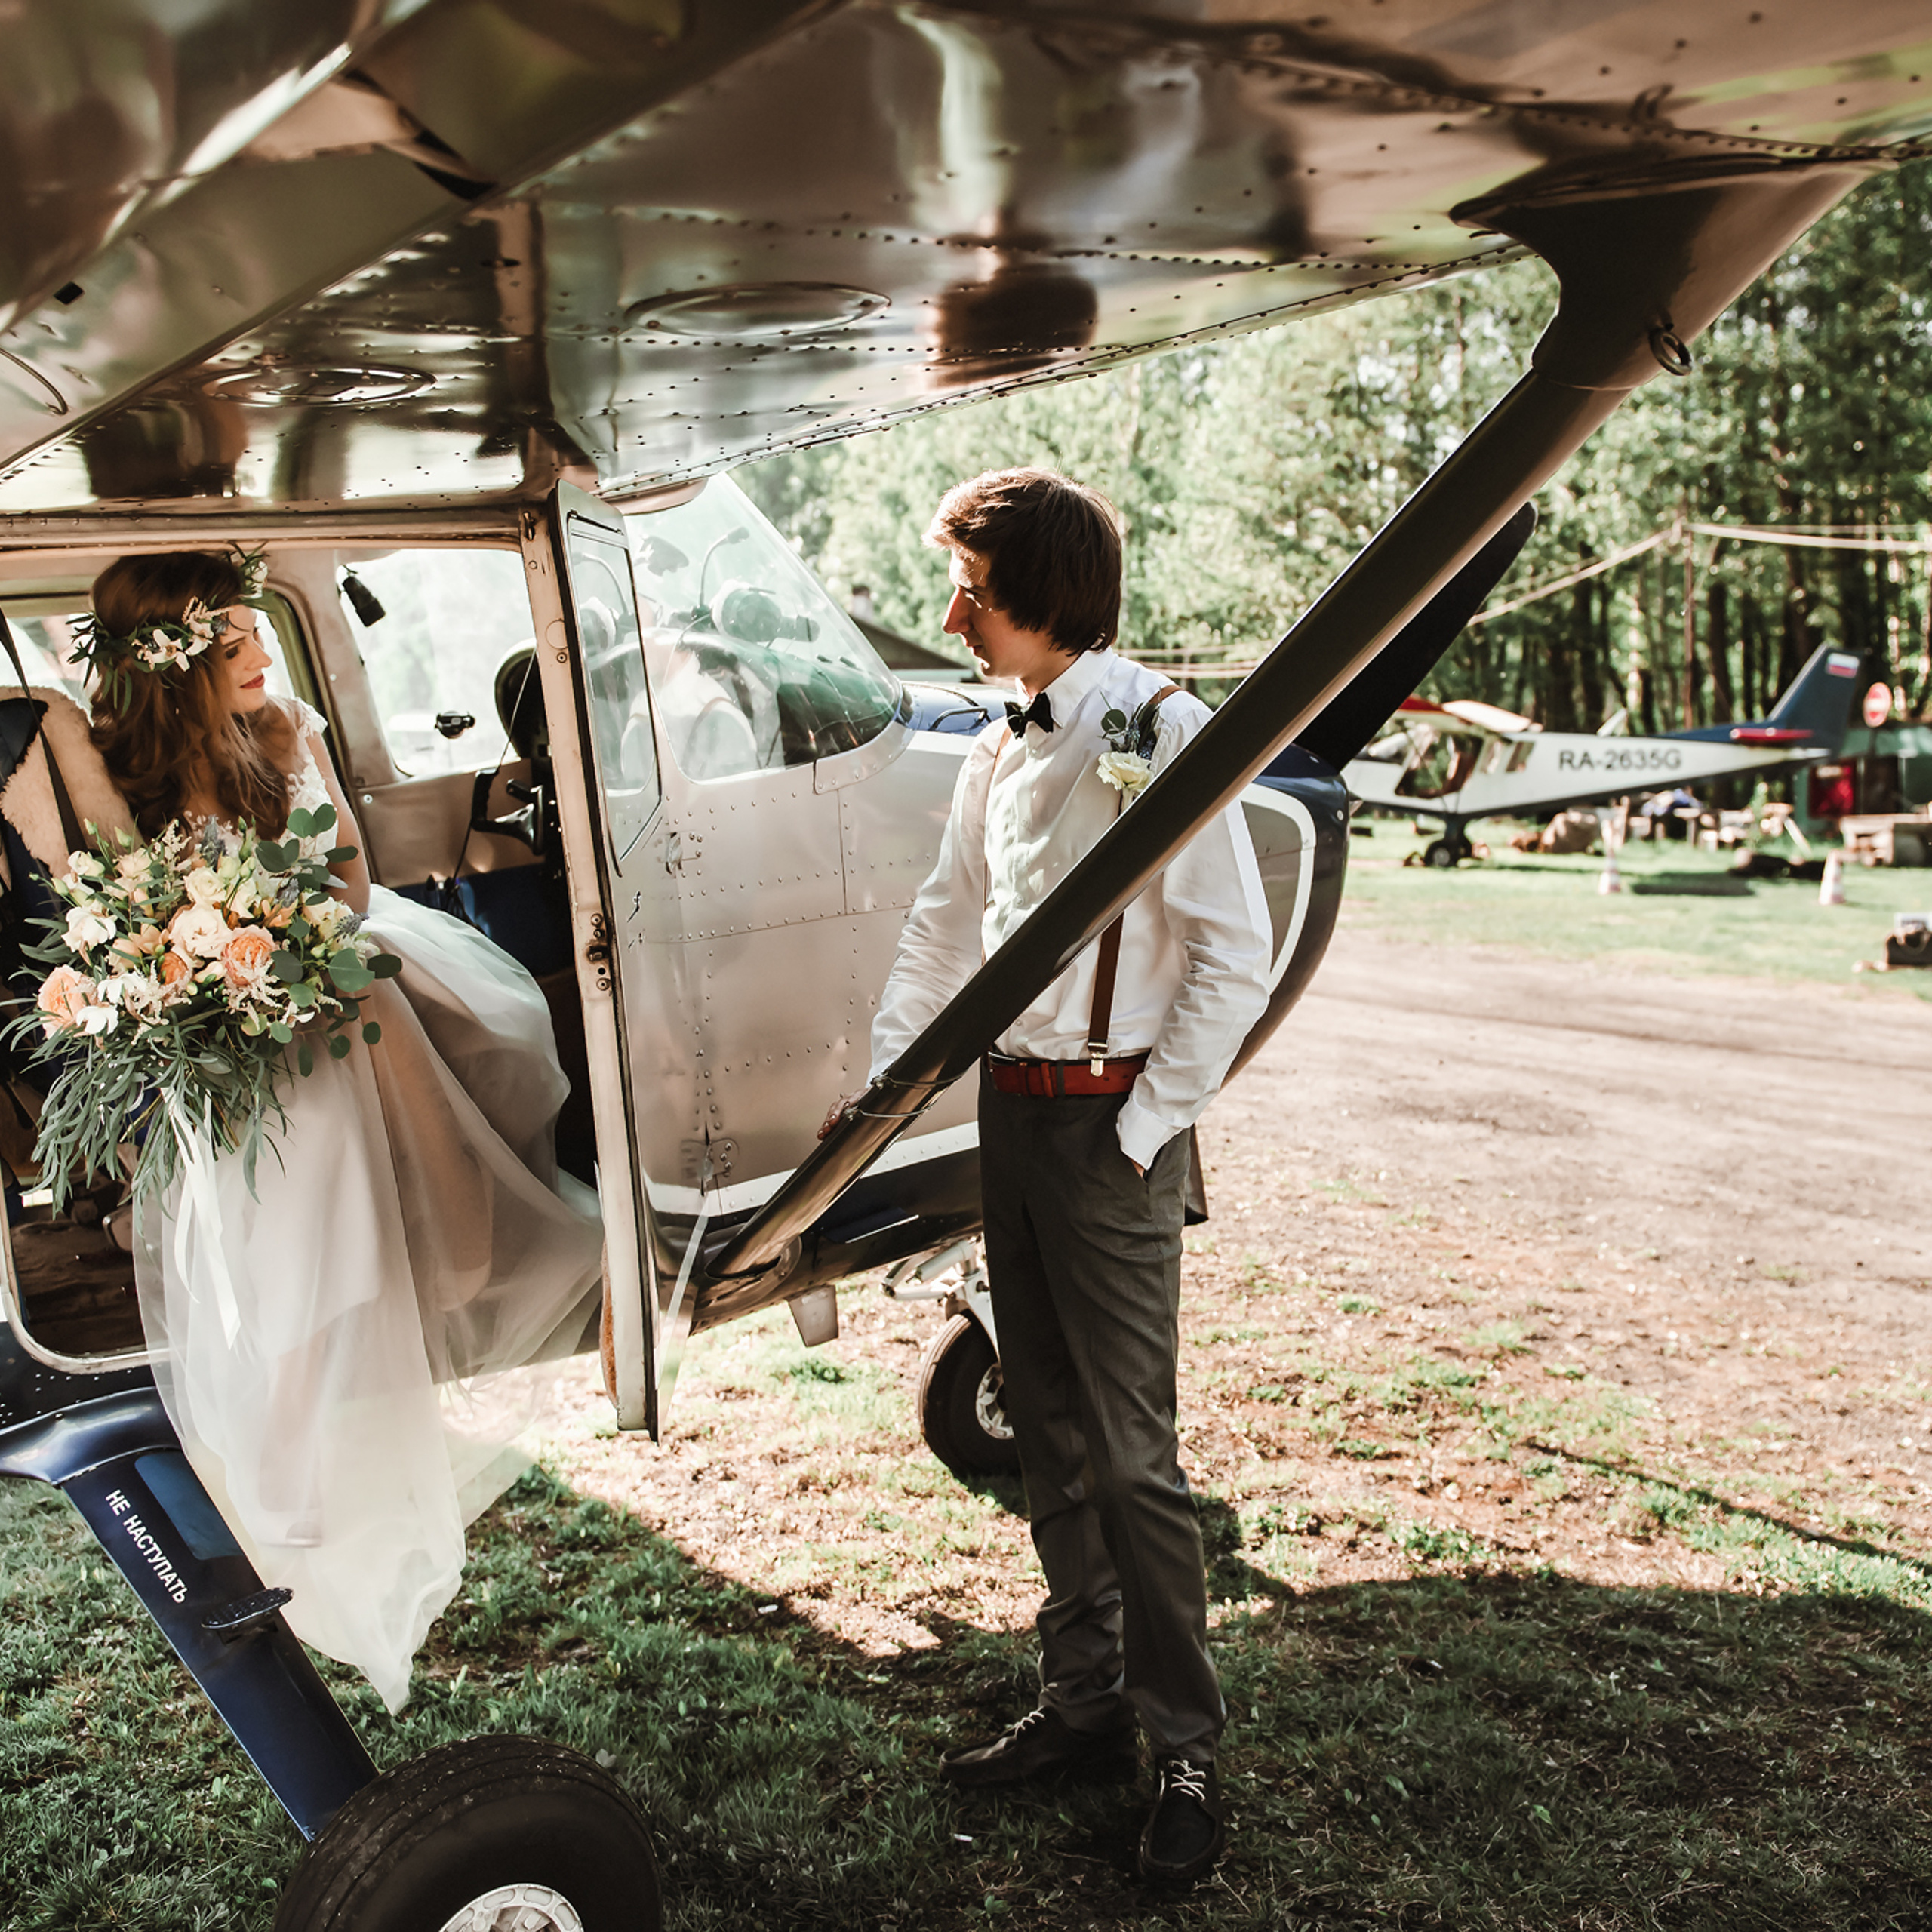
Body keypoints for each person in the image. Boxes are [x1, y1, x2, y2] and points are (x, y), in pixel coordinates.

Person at [826, 470, 1272, 1885]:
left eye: (970, 588)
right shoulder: (993, 746)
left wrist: (1144, 1135)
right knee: (1049, 1432)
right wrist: (888, 1089)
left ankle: (1185, 1749)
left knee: (1135, 1458)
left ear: (1039, 594)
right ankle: (1082, 1704)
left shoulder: (1159, 732)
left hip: (1112, 1129)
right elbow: (943, 927)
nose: (949, 614)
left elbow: (1230, 955)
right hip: (1011, 1126)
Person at [76, 549, 605, 1712]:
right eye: (239, 646)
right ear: (178, 673)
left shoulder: (284, 732)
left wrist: (298, 926)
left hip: (328, 986)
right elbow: (134, 913)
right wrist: (212, 972)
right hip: (227, 1029)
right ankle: (277, 1471)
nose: (265, 656)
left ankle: (305, 1452)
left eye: (263, 633)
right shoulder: (121, 777)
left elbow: (356, 891)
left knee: (438, 1113)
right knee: (292, 1236)